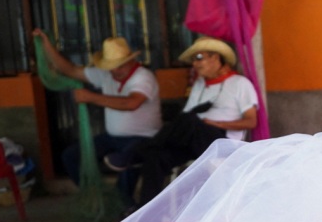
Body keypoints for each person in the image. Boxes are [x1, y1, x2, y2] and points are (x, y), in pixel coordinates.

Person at [121, 36, 259, 207]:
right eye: (193, 59)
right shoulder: (200, 84)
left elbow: (251, 122)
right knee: (155, 157)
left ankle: (136, 152)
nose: (195, 64)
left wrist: (219, 124)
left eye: (199, 58)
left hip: (221, 140)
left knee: (190, 122)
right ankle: (147, 213)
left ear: (215, 58)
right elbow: (184, 120)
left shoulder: (240, 84)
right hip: (194, 140)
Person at [32, 28, 162, 208]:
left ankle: (126, 205)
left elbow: (131, 103)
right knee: (71, 156)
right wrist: (47, 44)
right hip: (112, 138)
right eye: (111, 66)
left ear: (131, 60)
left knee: (127, 158)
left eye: (120, 65)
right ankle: (99, 196)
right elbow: (69, 70)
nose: (115, 71)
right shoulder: (105, 74)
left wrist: (91, 98)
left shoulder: (143, 77)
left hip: (144, 137)